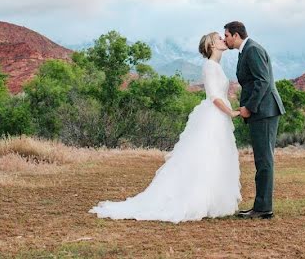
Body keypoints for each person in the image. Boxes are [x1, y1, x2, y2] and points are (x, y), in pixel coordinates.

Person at [89, 32, 241, 222]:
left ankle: (211, 201)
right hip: (213, 116)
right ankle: (193, 200)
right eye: (218, 38)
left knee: (216, 156)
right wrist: (231, 112)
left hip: (219, 118)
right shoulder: (210, 67)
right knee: (205, 156)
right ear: (211, 45)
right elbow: (214, 97)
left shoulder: (217, 66)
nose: (222, 40)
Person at [224, 20, 285, 219]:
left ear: (235, 34)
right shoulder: (246, 51)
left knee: (264, 159)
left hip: (264, 111)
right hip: (262, 111)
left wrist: (249, 107)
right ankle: (262, 206)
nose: (225, 39)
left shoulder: (252, 50)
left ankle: (263, 208)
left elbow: (263, 81)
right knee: (262, 158)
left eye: (226, 35)